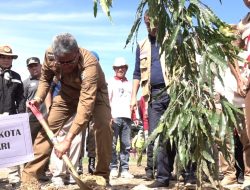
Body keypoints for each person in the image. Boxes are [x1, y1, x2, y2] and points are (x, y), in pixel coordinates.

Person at [21, 33, 113, 187]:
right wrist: (38, 98)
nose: (65, 66)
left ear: (77, 52)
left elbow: (85, 104)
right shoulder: (50, 55)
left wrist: (68, 140)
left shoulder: (90, 64)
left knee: (104, 125)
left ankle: (102, 175)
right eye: (61, 62)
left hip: (95, 95)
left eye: (69, 61)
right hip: (66, 94)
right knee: (47, 129)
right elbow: (45, 78)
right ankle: (29, 176)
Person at [130, 10, 175, 188]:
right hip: (153, 96)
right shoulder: (142, 45)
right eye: (148, 24)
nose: (151, 28)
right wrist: (133, 97)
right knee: (158, 136)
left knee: (177, 134)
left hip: (174, 93)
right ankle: (163, 178)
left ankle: (187, 173)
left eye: (154, 23)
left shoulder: (174, 39)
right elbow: (136, 73)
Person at [0, 45, 25, 187]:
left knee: (13, 149)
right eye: (3, 57)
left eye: (9, 57)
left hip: (11, 118)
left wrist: (21, 117)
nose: (6, 60)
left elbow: (21, 99)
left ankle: (14, 179)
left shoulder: (16, 76)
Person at [23, 57, 51, 182]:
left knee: (45, 146)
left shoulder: (49, 80)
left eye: (36, 65)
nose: (34, 68)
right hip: (32, 119)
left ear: (41, 66)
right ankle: (28, 172)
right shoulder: (26, 83)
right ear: (28, 68)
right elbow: (23, 100)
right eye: (31, 66)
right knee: (31, 146)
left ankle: (42, 172)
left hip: (47, 117)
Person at [108, 57, 134, 179]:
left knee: (126, 144)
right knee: (112, 144)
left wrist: (136, 116)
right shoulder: (111, 82)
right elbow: (107, 100)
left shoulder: (130, 84)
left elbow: (132, 101)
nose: (120, 69)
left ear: (126, 69)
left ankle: (124, 169)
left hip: (127, 117)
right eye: (118, 67)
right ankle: (113, 167)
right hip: (114, 116)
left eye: (122, 67)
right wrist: (108, 115)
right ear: (114, 69)